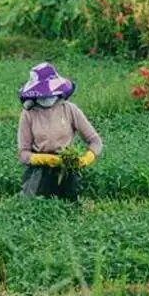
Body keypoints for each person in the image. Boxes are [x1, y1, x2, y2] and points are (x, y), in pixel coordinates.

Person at [16, 63, 103, 201]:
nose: (47, 98)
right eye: (43, 95)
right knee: (36, 205)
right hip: (39, 170)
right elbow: (23, 153)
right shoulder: (29, 114)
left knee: (71, 204)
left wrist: (87, 157)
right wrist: (43, 159)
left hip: (67, 164)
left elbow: (95, 141)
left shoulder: (69, 109)